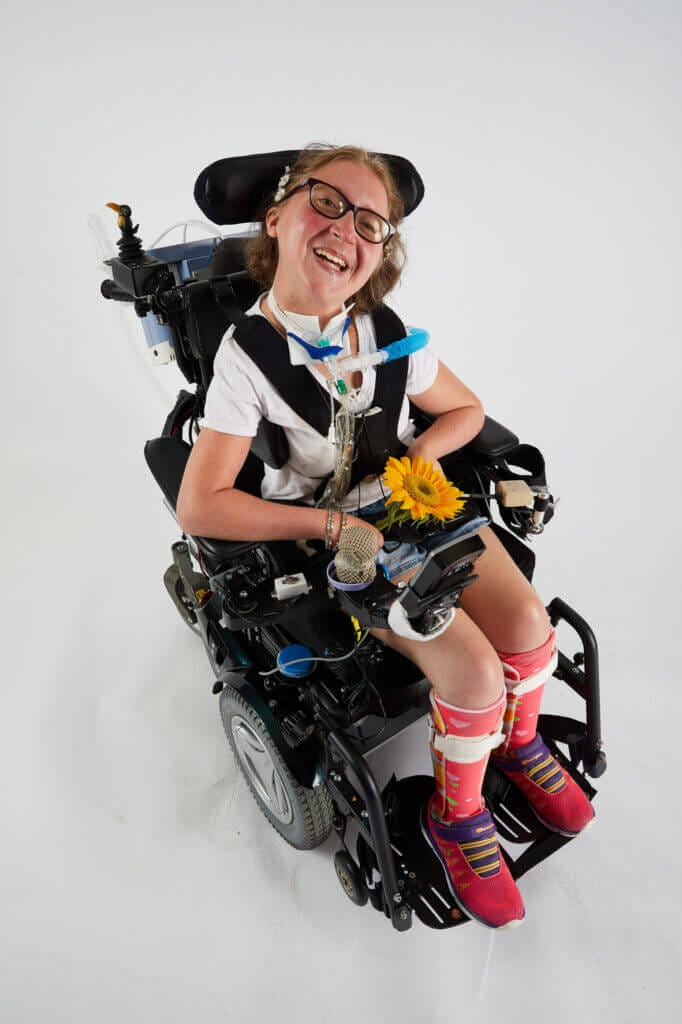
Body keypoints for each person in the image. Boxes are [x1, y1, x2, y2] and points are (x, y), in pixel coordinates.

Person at [177, 144, 594, 930]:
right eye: (326, 203)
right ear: (276, 218)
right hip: (339, 541)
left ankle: (518, 742)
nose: (348, 230)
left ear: (380, 254)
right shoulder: (249, 357)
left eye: (372, 222)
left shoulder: (389, 333)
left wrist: (417, 458)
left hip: (416, 506)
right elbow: (202, 505)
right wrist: (331, 522)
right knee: (472, 674)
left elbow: (465, 411)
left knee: (532, 635)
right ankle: (457, 814)